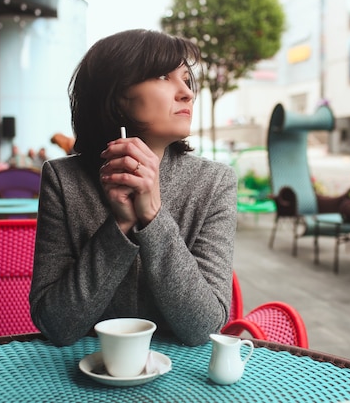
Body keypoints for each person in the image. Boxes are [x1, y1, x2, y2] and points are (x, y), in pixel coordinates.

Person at [29, 29, 238, 347]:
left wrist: (152, 215)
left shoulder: (214, 183)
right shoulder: (63, 179)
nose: (186, 93)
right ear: (115, 97)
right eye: (163, 77)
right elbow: (56, 325)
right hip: (82, 372)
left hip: (182, 378)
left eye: (186, 79)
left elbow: (204, 326)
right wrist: (121, 226)